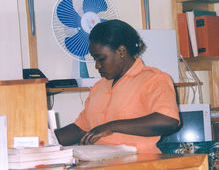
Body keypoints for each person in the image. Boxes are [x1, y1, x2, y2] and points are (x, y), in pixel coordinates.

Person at [55, 19, 180, 153]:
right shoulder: (99, 87)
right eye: (95, 59)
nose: (97, 66)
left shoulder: (154, 79)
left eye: (101, 58)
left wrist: (112, 126)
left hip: (140, 164)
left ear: (121, 51)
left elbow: (168, 121)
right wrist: (45, 139)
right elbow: (80, 128)